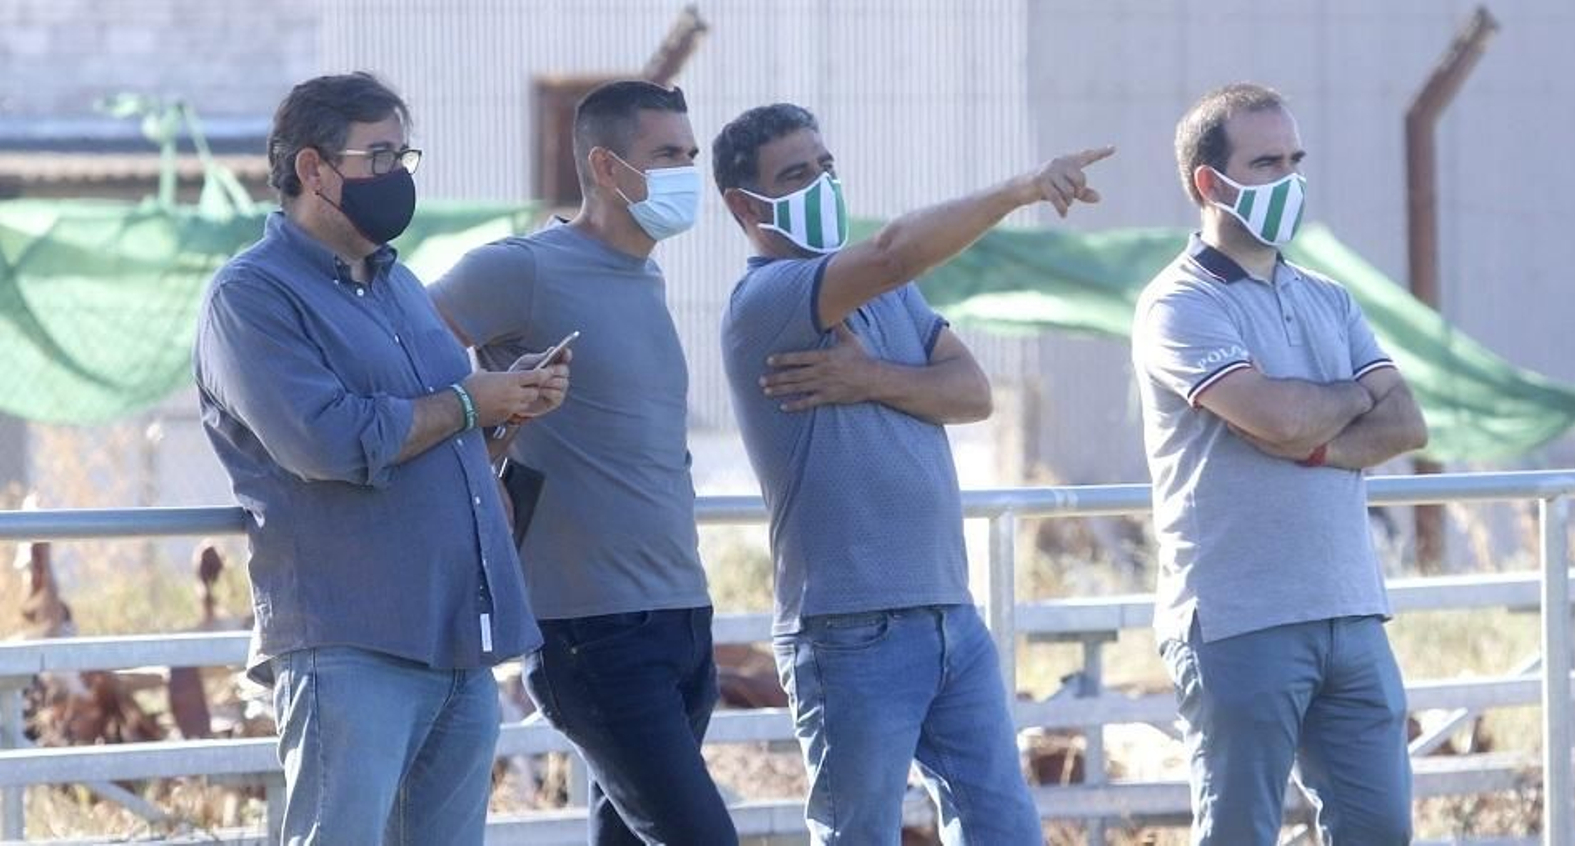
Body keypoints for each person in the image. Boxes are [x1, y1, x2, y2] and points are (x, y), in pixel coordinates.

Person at [713, 101, 1111, 844]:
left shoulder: (887, 295)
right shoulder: (764, 302)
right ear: (744, 204)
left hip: (947, 613)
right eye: (796, 175)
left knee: (1004, 828)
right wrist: (1023, 188)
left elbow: (971, 393)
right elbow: (895, 249)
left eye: (825, 167)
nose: (823, 185)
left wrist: (870, 378)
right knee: (859, 833)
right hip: (849, 630)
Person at [194, 73, 568, 845]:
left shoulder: (399, 286)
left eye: (405, 155)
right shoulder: (252, 297)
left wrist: (507, 411)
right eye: (380, 155)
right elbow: (326, 442)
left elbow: (441, 435)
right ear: (312, 169)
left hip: (460, 643)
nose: (398, 176)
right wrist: (472, 402)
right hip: (351, 642)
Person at [429, 80, 737, 846]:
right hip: (592, 631)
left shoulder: (648, 275)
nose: (687, 172)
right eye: (667, 155)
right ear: (605, 166)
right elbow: (400, 351)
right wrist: (486, 427)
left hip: (679, 615)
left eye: (691, 155)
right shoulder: (524, 268)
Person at [1130, 82, 1428, 845]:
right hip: (1240, 618)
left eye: (1295, 160)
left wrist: (1316, 440)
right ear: (1210, 182)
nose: (1289, 179)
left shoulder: (1329, 296)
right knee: (1237, 833)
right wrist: (1345, 397)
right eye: (1266, 162)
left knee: (1380, 830)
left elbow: (1406, 423)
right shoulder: (1179, 303)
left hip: (1351, 609)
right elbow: (1273, 416)